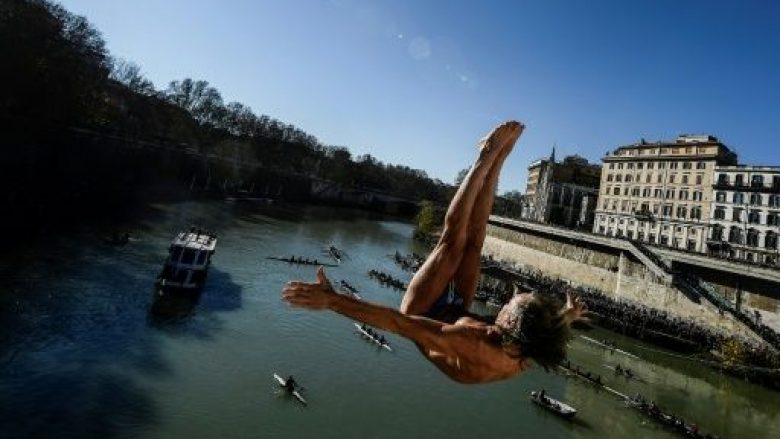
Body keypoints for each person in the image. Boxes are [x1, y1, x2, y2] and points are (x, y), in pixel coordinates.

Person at [282, 121, 587, 384]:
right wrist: (568, 315)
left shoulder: (470, 343)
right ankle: (500, 159)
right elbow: (547, 331)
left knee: (453, 242)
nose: (509, 298)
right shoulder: (528, 345)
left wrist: (332, 300)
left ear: (507, 322)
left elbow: (398, 324)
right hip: (458, 311)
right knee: (475, 242)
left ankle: (484, 157)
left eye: (510, 302)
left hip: (422, 311)